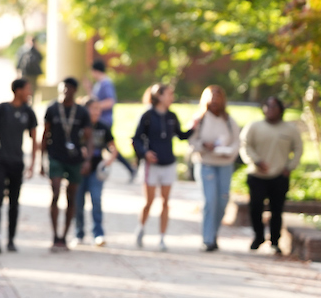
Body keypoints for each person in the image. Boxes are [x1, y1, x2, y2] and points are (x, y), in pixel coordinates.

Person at [0, 78, 39, 255]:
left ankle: (11, 239)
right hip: (0, 160)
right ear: (18, 90)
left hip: (17, 162)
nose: (29, 92)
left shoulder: (28, 112)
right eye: (27, 88)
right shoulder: (0, 109)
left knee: (14, 202)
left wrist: (33, 163)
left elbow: (34, 139)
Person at [240, 96, 303, 255]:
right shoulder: (254, 127)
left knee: (277, 210)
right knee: (255, 208)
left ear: (281, 109)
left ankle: (275, 241)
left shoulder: (290, 129)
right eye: (267, 106)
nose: (270, 109)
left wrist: (290, 167)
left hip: (279, 176)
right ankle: (258, 237)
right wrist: (256, 161)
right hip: (257, 175)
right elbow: (245, 146)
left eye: (274, 106)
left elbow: (298, 148)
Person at [133, 82, 191, 251]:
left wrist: (195, 126)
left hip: (168, 163)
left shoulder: (172, 116)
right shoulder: (148, 116)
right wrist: (146, 153)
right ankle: (141, 227)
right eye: (169, 94)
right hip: (152, 165)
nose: (172, 98)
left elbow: (181, 135)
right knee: (149, 201)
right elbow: (136, 139)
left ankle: (162, 237)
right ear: (159, 96)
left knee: (166, 202)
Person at [188, 85, 241, 252]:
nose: (215, 100)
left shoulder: (228, 120)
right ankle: (207, 238)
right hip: (206, 163)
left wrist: (228, 153)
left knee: (222, 201)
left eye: (218, 97)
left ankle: (214, 233)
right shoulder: (200, 119)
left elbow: (236, 143)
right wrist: (204, 146)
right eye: (212, 97)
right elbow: (191, 141)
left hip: (225, 164)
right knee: (210, 201)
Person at [40, 77, 91, 251]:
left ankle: (64, 236)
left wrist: (87, 160)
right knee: (55, 192)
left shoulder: (82, 112)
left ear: (74, 91)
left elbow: (89, 138)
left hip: (74, 158)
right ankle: (55, 235)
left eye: (68, 89)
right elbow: (45, 134)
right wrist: (41, 160)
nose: (65, 92)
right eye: (63, 89)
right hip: (56, 156)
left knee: (72, 197)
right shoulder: (52, 109)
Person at [74, 98, 118, 246]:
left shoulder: (103, 127)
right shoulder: (78, 126)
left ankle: (98, 233)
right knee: (78, 203)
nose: (96, 112)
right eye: (93, 108)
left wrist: (109, 160)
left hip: (96, 171)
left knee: (96, 200)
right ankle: (79, 233)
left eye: (98, 109)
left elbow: (113, 148)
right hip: (79, 170)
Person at [90, 59, 136, 183]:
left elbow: (110, 101)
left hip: (104, 121)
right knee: (107, 147)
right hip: (98, 120)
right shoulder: (99, 83)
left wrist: (96, 107)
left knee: (109, 147)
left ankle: (130, 168)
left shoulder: (106, 83)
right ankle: (129, 168)